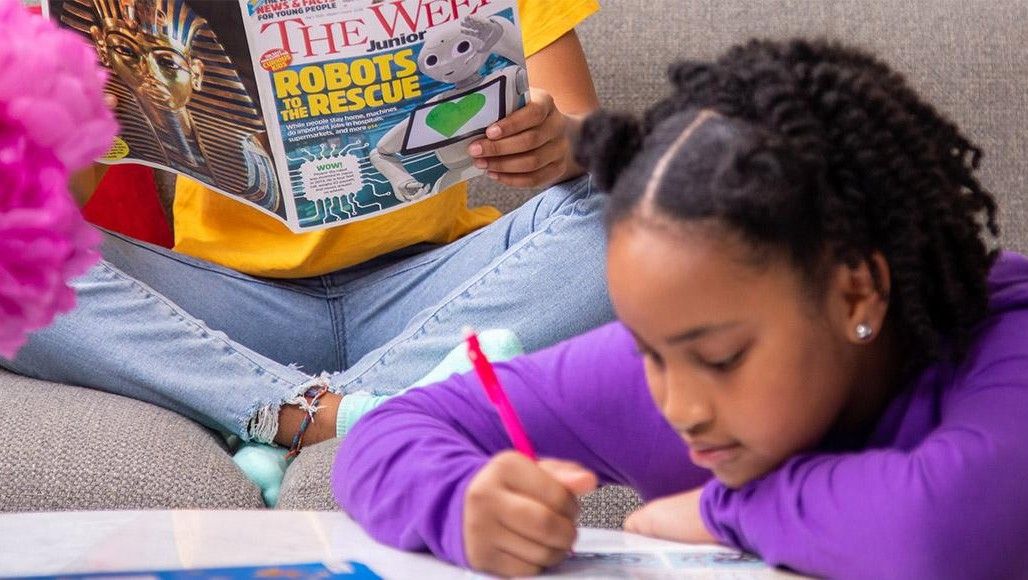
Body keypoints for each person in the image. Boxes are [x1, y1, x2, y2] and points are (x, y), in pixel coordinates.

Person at [333, 39, 1028, 578]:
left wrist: (720, 508)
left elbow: (946, 531)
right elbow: (388, 434)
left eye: (721, 358)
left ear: (856, 293)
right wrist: (460, 504)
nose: (679, 406)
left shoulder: (1007, 334)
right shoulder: (678, 373)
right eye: (648, 351)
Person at [3, 0, 609, 455]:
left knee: (634, 202)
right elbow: (53, 211)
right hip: (223, 309)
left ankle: (268, 412)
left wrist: (561, 141)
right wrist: (72, 119)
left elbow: (590, 143)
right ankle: (324, 414)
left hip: (434, 295)